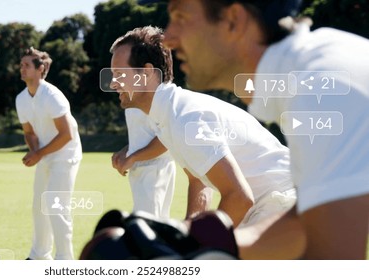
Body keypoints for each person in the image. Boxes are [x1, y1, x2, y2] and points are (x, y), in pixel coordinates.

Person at [143, 0, 369, 259]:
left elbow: (333, 261)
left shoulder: (318, 85)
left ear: (233, 20)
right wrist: (186, 249)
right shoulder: (309, 71)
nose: (169, 38)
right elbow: (302, 226)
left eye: (180, 17)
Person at [109, 26, 296, 228]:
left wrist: (194, 245)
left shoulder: (185, 119)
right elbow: (199, 180)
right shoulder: (167, 115)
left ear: (146, 73)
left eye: (119, 73)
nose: (113, 83)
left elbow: (240, 198)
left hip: (282, 202)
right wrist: (189, 227)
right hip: (269, 203)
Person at [16, 47, 82, 260]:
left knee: (56, 205)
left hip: (65, 154)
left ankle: (65, 260)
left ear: (40, 69)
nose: (22, 68)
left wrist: (38, 153)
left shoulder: (53, 96)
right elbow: (29, 132)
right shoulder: (21, 99)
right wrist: (35, 152)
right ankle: (39, 256)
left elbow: (67, 134)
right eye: (21, 64)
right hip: (45, 154)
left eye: (27, 65)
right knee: (38, 206)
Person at [112, 108, 176, 219]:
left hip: (156, 169)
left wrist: (132, 158)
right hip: (144, 168)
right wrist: (126, 151)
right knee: (155, 223)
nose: (117, 90)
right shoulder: (132, 98)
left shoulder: (154, 96)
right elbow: (145, 136)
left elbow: (168, 137)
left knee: (147, 223)